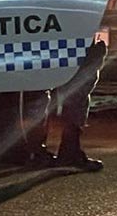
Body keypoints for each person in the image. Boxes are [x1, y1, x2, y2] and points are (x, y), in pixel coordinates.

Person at [23, 40, 107, 172]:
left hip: (44, 39)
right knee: (76, 92)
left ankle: (35, 153)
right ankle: (69, 152)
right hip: (77, 37)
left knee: (38, 92)